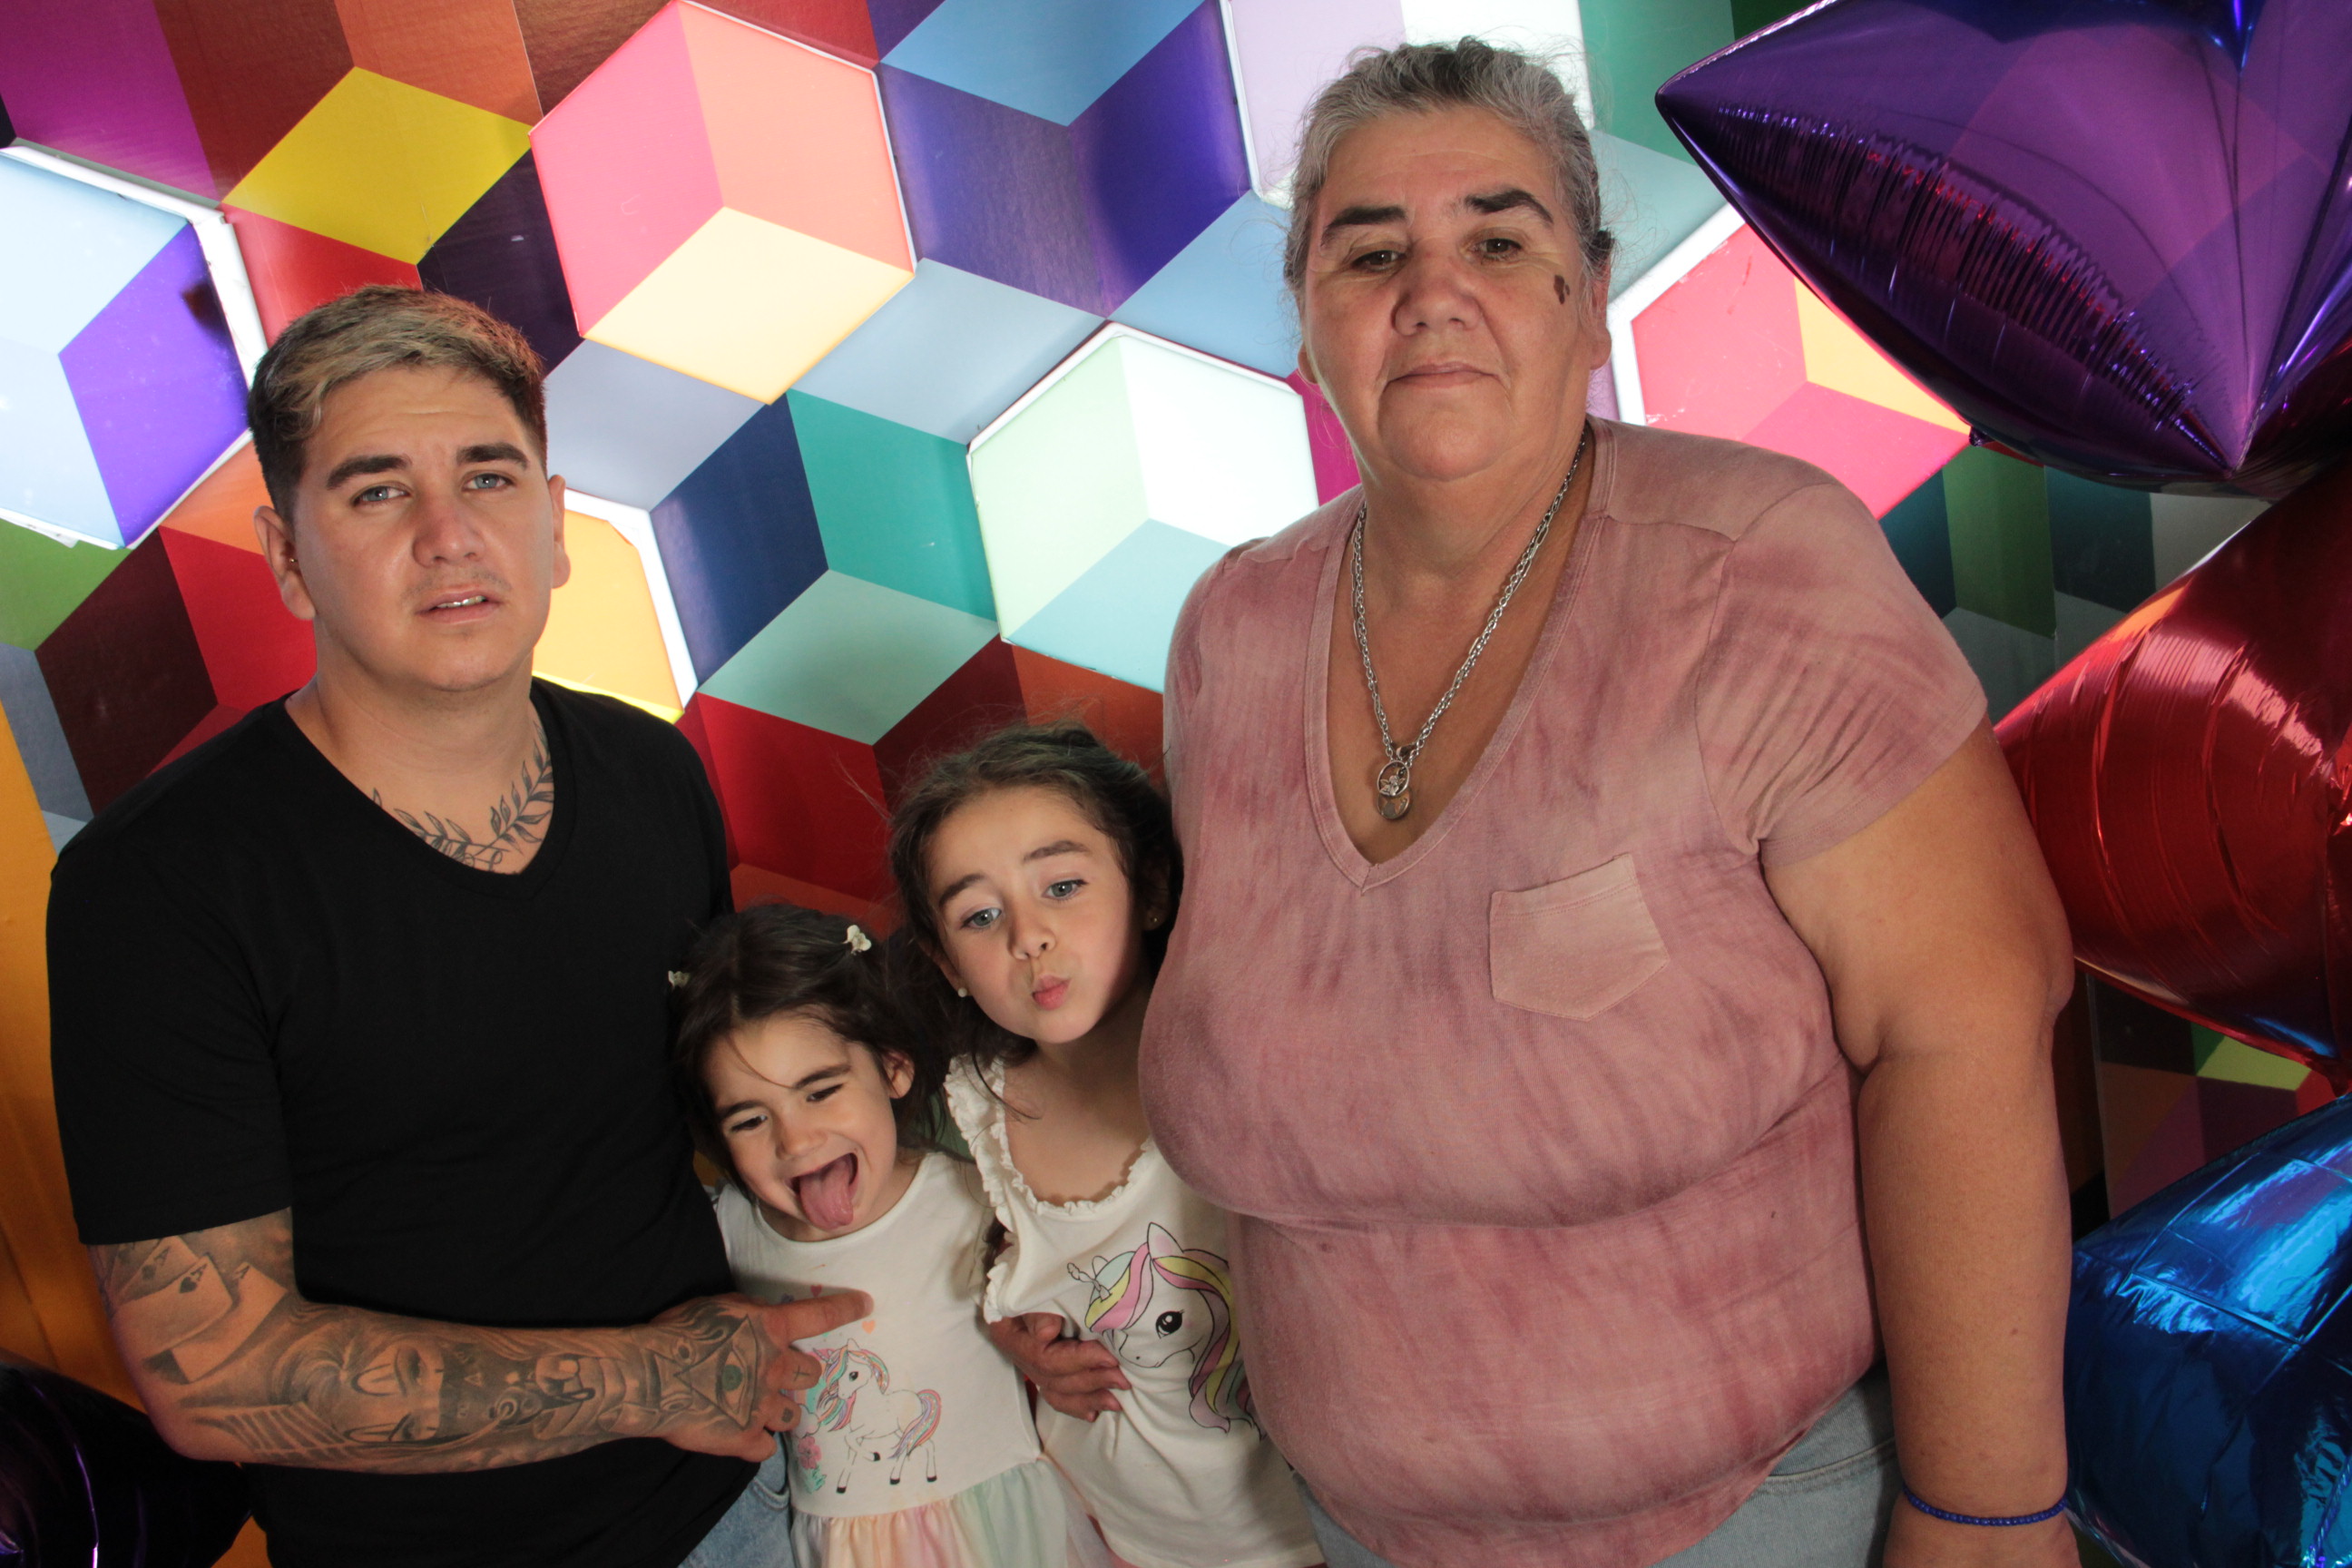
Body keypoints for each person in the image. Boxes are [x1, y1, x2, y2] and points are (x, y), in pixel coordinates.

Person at [1130, 40, 2079, 1568]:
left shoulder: (1756, 564)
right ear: (1305, 319)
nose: (1431, 293)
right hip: (1360, 1530)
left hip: (1763, 1518)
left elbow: (1965, 1021)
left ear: (1591, 297)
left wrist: (1986, 1512)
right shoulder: (1228, 634)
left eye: (1498, 242)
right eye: (1368, 252)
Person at [45, 286, 864, 1568]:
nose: (449, 536)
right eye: (377, 492)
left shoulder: (652, 774)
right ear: (285, 559)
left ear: (553, 524)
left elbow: (724, 1127)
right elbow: (211, 1374)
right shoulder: (156, 886)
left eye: (488, 477)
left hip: (759, 1499)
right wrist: (656, 1380)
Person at [887, 725, 1322, 1568]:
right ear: (947, 964)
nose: (1028, 936)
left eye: (1063, 886)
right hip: (1129, 1537)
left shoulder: (1251, 1051)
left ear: (1149, 887)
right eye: (981, 916)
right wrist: (1011, 1336)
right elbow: (948, 1268)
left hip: (1326, 1526)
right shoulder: (965, 1112)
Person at [669, 901, 1109, 1568]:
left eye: (820, 1091)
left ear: (893, 1070)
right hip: (832, 1546)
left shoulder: (974, 1198)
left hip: (997, 1537)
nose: (796, 1140)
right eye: (751, 1120)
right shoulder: (726, 1234)